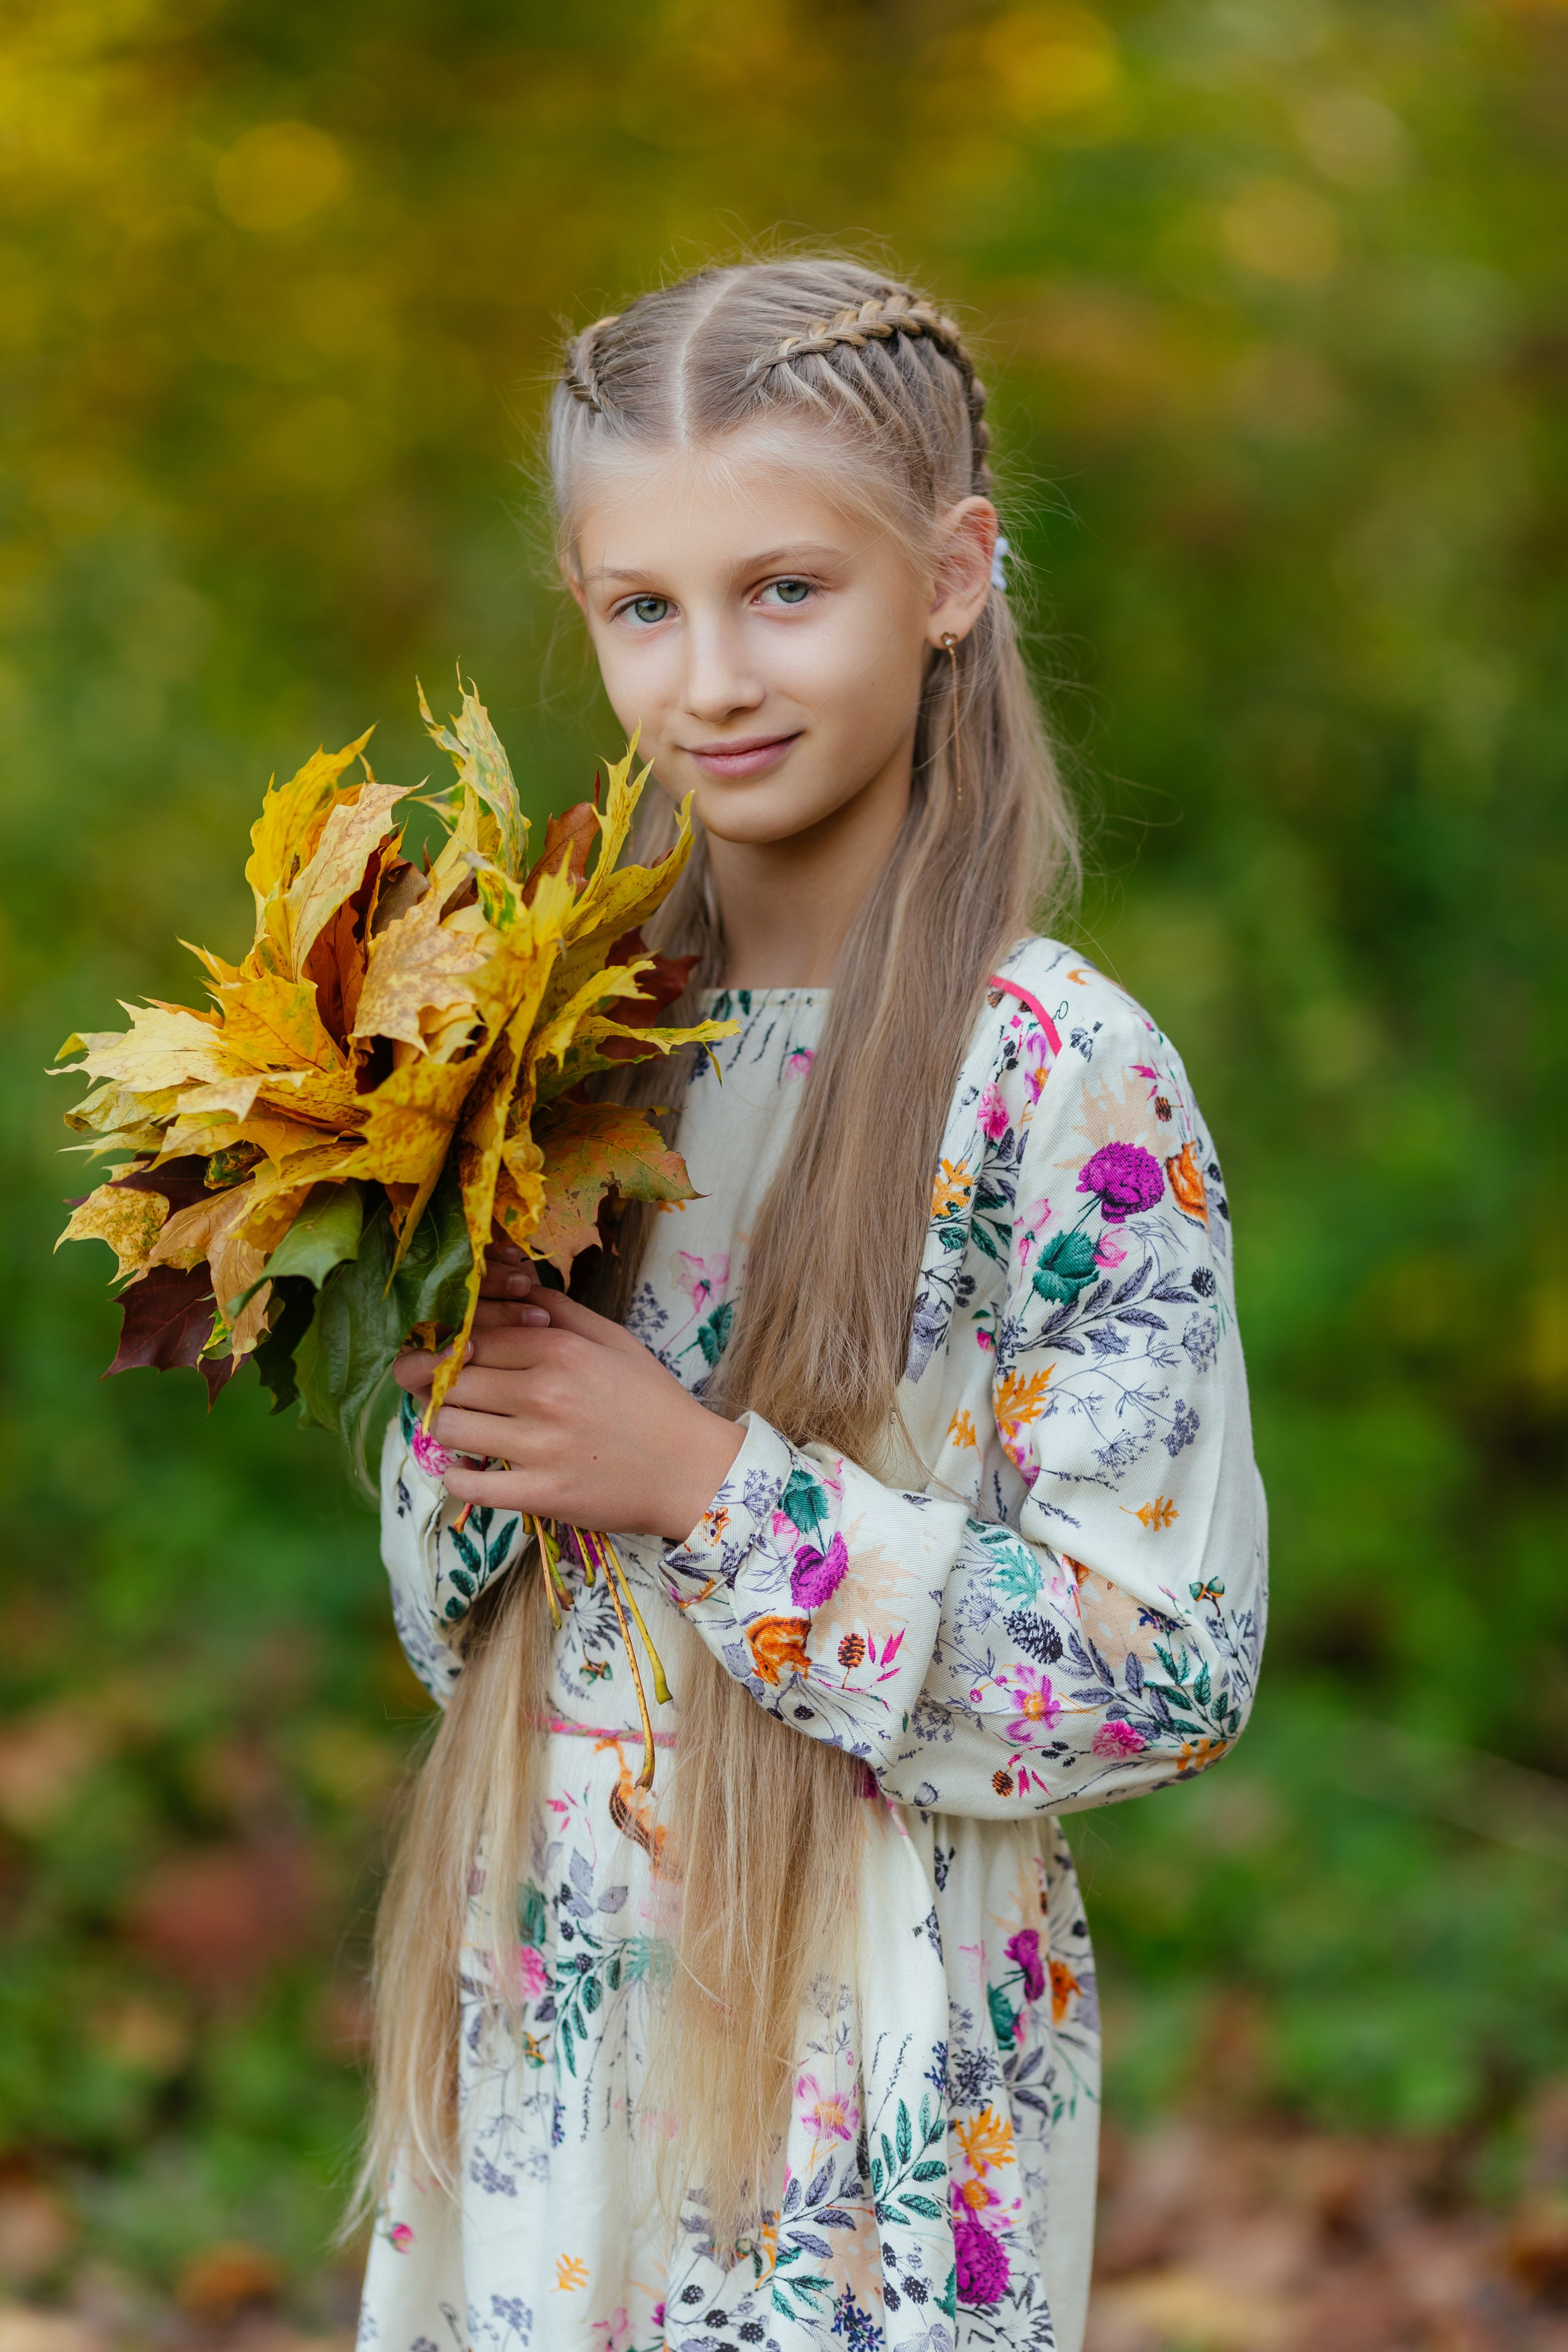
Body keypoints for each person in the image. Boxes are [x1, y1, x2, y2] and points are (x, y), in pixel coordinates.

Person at [356, 258, 1267, 2352]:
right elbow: (455, 1624)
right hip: (550, 1979)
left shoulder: (1053, 1075)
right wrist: (473, 1436)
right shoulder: (545, 1044)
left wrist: (703, 1487)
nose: (709, 680)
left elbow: (1162, 1671)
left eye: (786, 589)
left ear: (950, 574)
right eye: (641, 608)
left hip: (875, 2057)